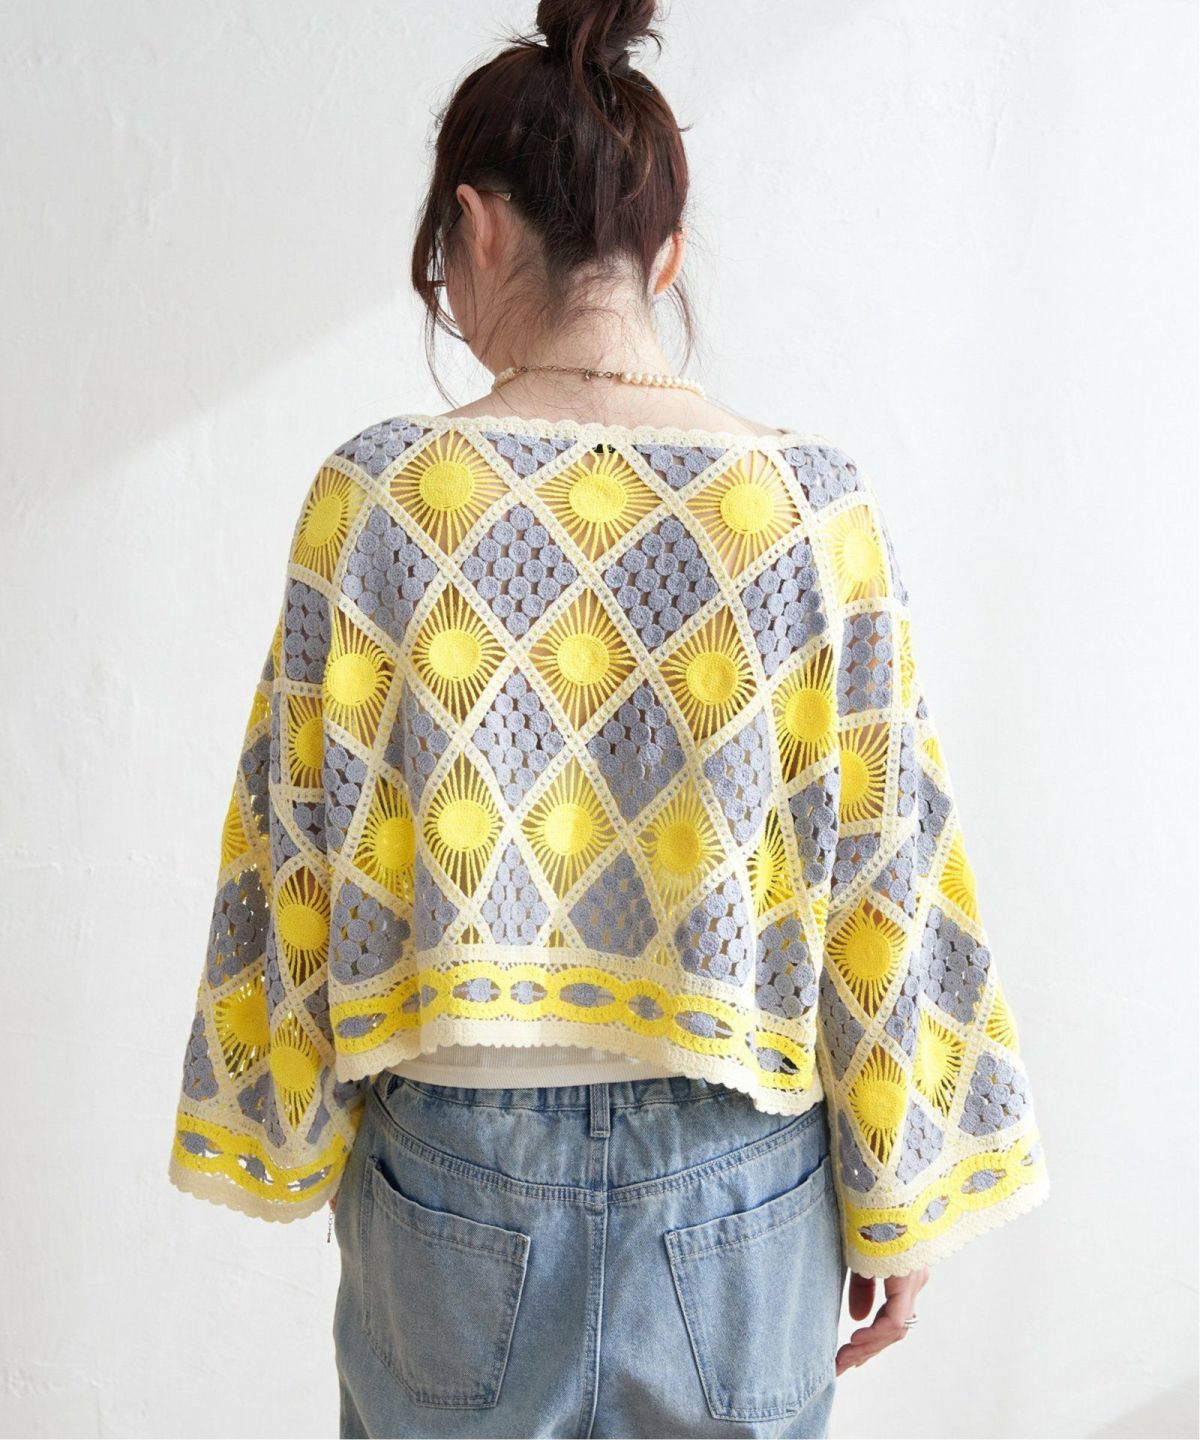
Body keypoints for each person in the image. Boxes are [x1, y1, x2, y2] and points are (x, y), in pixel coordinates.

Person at [167, 2, 1050, 1435]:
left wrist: (292, 1124)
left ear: (474, 228)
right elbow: (884, 857)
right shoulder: (806, 510)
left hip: (451, 1189)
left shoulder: (378, 500)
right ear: (666, 253)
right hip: (743, 1194)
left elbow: (296, 837)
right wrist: (905, 1194)